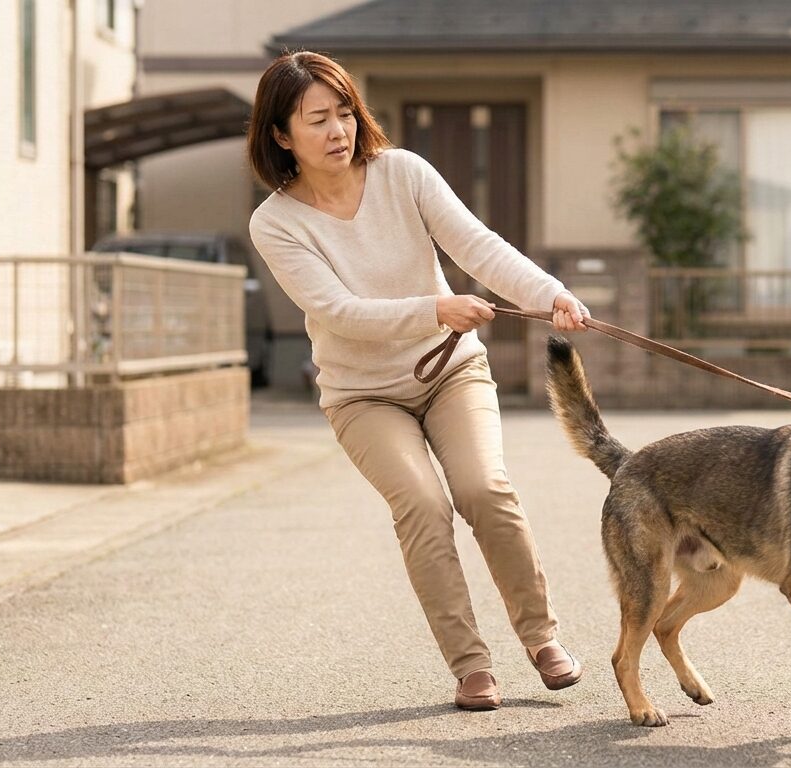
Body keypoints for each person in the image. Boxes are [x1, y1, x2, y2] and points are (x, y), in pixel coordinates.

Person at [245, 51, 591, 712]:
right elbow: (338, 312)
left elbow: (480, 246)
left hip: (450, 371)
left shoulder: (402, 172)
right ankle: (471, 666)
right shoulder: (276, 223)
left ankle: (542, 638)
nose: (338, 130)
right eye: (317, 119)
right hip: (363, 395)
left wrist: (551, 295)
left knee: (484, 490)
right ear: (282, 135)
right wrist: (435, 308)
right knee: (424, 507)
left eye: (345, 112)